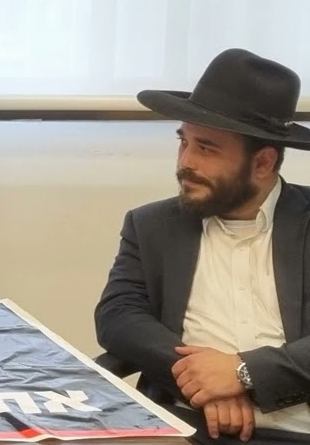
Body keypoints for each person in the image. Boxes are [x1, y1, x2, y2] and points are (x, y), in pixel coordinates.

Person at [96, 48, 310, 444]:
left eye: (207, 148)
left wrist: (244, 373)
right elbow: (118, 316)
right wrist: (202, 381)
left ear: (262, 163)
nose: (186, 162)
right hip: (186, 426)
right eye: (184, 142)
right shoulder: (153, 225)